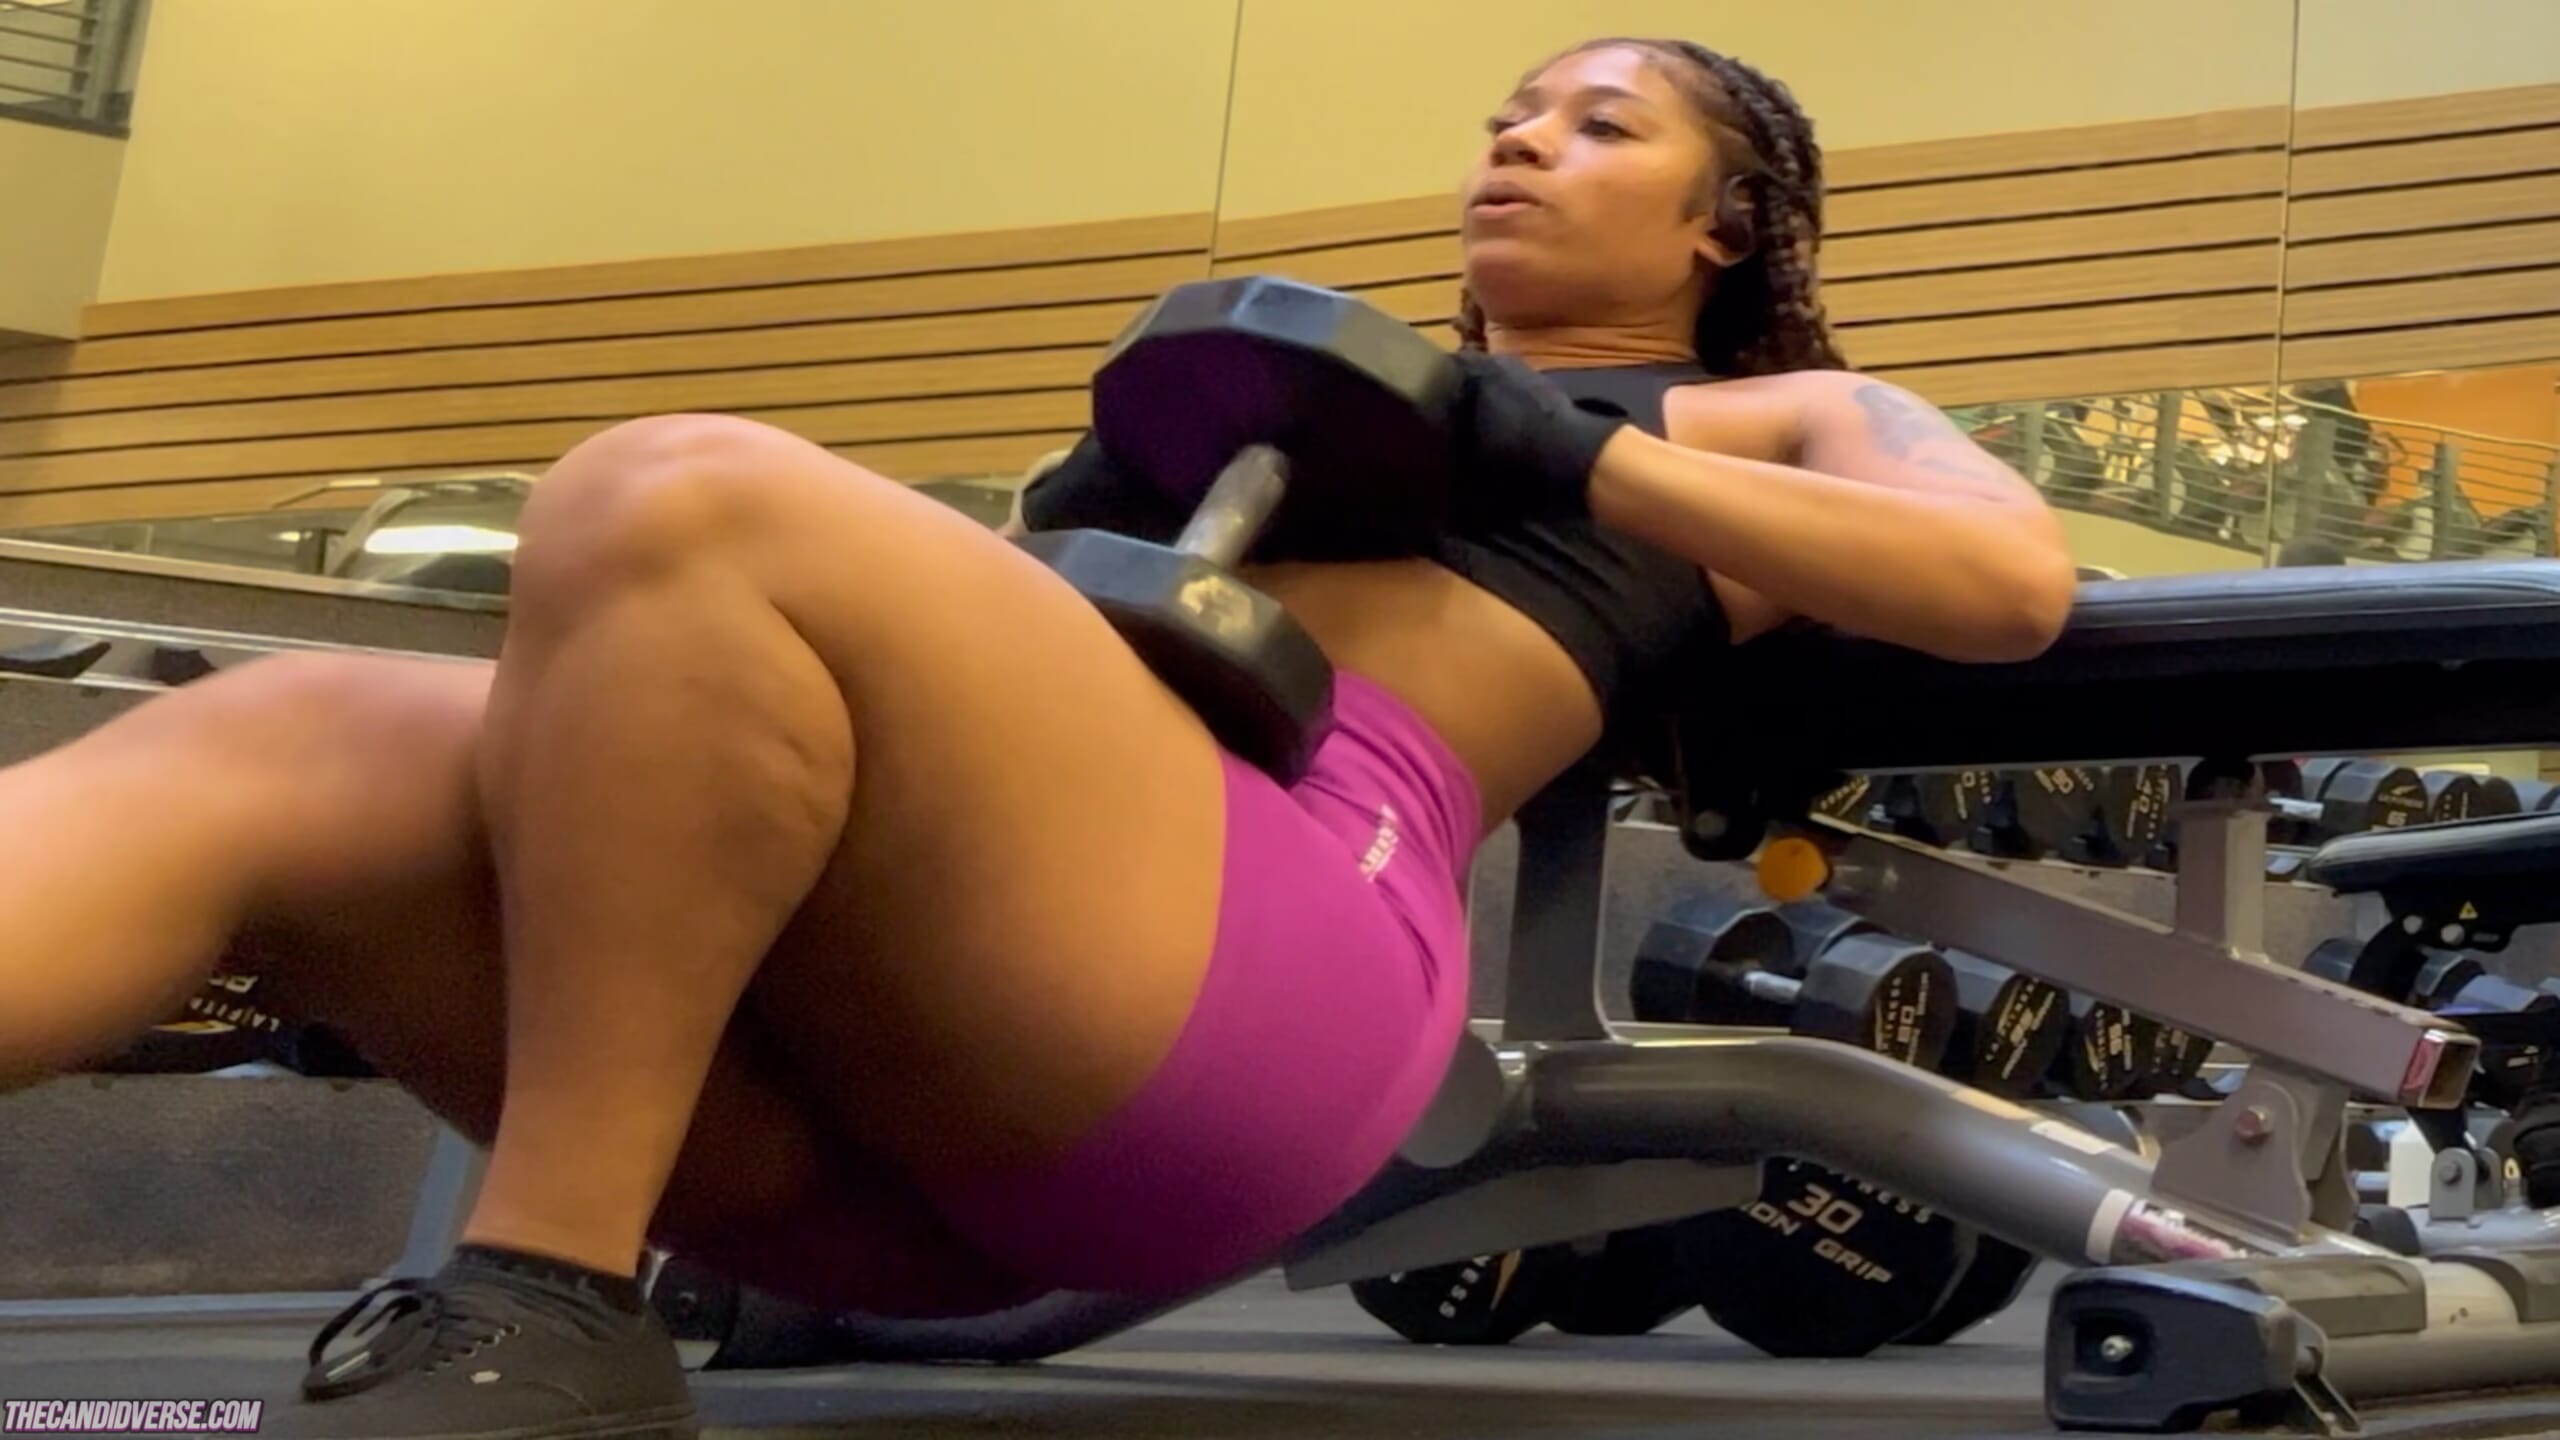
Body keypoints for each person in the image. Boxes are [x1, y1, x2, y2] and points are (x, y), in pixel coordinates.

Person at [0, 35, 2075, 1440]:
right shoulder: (1300, 408)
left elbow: (2006, 585)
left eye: (1598, 126)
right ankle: (555, 1283)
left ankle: (537, 1295)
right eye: (1506, 117)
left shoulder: (1767, 417)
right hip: (859, 1102)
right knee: (289, 735)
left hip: (1257, 986)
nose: (1517, 144)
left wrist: (1562, 450)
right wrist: (1068, 541)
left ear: (1726, 226)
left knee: (679, 488)